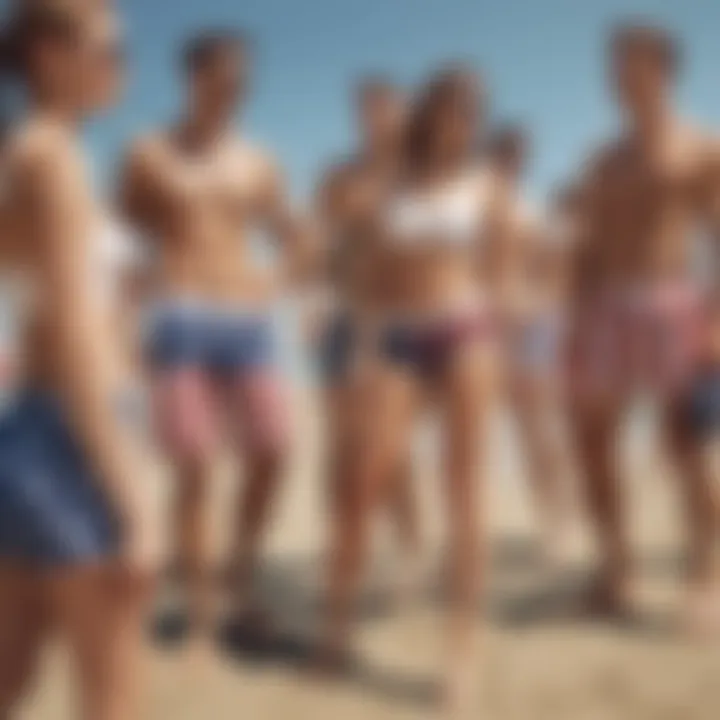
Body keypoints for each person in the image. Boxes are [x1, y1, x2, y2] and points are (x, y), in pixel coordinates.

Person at [318, 66, 512, 717]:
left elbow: (501, 272)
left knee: (465, 491)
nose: (462, 121)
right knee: (359, 483)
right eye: (452, 108)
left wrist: (496, 326)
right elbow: (361, 268)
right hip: (397, 333)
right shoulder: (385, 183)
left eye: (473, 111)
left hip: (464, 329)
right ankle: (337, 625)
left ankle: (459, 654)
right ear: (429, 113)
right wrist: (364, 337)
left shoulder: (489, 186)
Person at [119, 29, 308, 655]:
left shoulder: (259, 161)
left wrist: (273, 279)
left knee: (275, 450)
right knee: (195, 469)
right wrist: (124, 322)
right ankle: (201, 616)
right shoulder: (148, 153)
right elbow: (118, 244)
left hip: (245, 320)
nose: (235, 89)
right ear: (193, 76)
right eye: (223, 76)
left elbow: (298, 238)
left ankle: (237, 574)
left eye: (243, 79)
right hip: (179, 316)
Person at [0, 2, 158, 719]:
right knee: (111, 696)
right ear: (46, 54)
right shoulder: (55, 156)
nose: (120, 64)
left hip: (34, 427)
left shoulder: (26, 149)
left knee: (11, 671)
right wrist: (131, 496)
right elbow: (77, 336)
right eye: (108, 47)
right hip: (75, 432)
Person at [569, 23, 720, 628]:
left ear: (662, 69)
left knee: (684, 448)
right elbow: (588, 247)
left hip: (672, 303)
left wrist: (715, 323)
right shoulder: (603, 159)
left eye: (628, 64)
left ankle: (706, 574)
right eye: (612, 67)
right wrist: (576, 320)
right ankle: (617, 567)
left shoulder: (701, 148)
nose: (617, 78)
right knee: (592, 445)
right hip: (605, 308)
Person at [314, 77, 421, 606]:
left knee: (391, 448)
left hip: (403, 321)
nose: (374, 118)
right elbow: (323, 249)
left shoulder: (422, 178)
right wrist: (315, 300)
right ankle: (350, 549)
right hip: (346, 319)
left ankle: (408, 543)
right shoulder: (339, 177)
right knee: (342, 448)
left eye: (384, 107)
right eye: (365, 108)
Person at [487, 127, 576, 564]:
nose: (510, 163)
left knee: (536, 431)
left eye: (517, 156)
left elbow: (556, 276)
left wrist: (536, 307)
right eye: (504, 154)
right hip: (480, 328)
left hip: (530, 329)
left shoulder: (532, 212)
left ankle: (557, 523)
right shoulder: (469, 209)